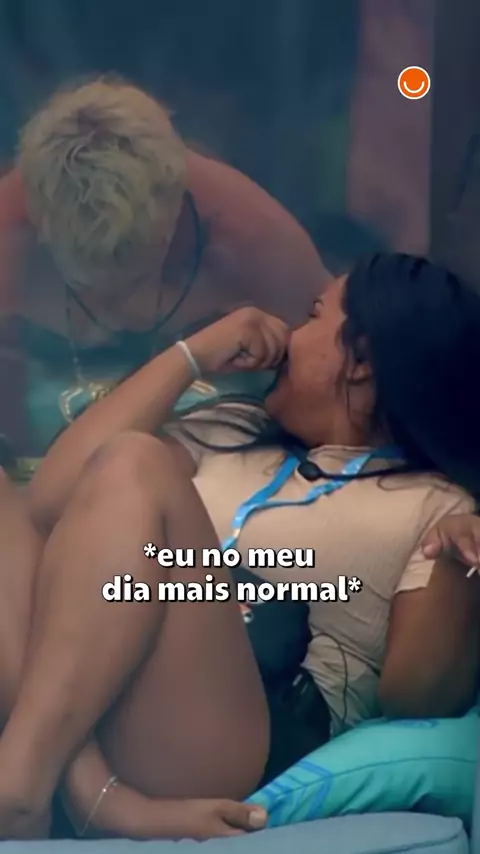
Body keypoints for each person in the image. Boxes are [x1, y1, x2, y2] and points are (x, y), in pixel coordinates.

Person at [0, 253, 479, 842]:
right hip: (97, 707)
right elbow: (48, 503)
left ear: (360, 360)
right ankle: (81, 794)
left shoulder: (435, 504)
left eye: (313, 315)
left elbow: (417, 699)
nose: (290, 332)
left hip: (236, 725)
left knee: (134, 460)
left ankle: (31, 779)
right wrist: (192, 356)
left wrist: (460, 571)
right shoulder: (232, 432)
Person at [0, 75, 329, 476]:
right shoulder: (8, 233)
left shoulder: (250, 237)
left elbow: (345, 370)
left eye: (135, 283)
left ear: (173, 220)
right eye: (83, 286)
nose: (110, 311)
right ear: (37, 224)